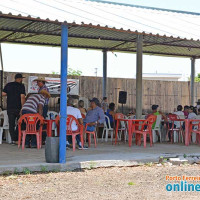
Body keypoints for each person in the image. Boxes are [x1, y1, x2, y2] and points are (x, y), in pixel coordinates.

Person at [2, 73, 26, 145]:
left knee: (11, 124)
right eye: (21, 78)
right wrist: (23, 107)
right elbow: (22, 97)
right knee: (20, 123)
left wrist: (10, 93)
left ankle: (13, 140)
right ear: (19, 79)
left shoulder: (8, 85)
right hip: (18, 108)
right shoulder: (21, 86)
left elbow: (3, 93)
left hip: (10, 108)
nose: (22, 80)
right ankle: (18, 139)